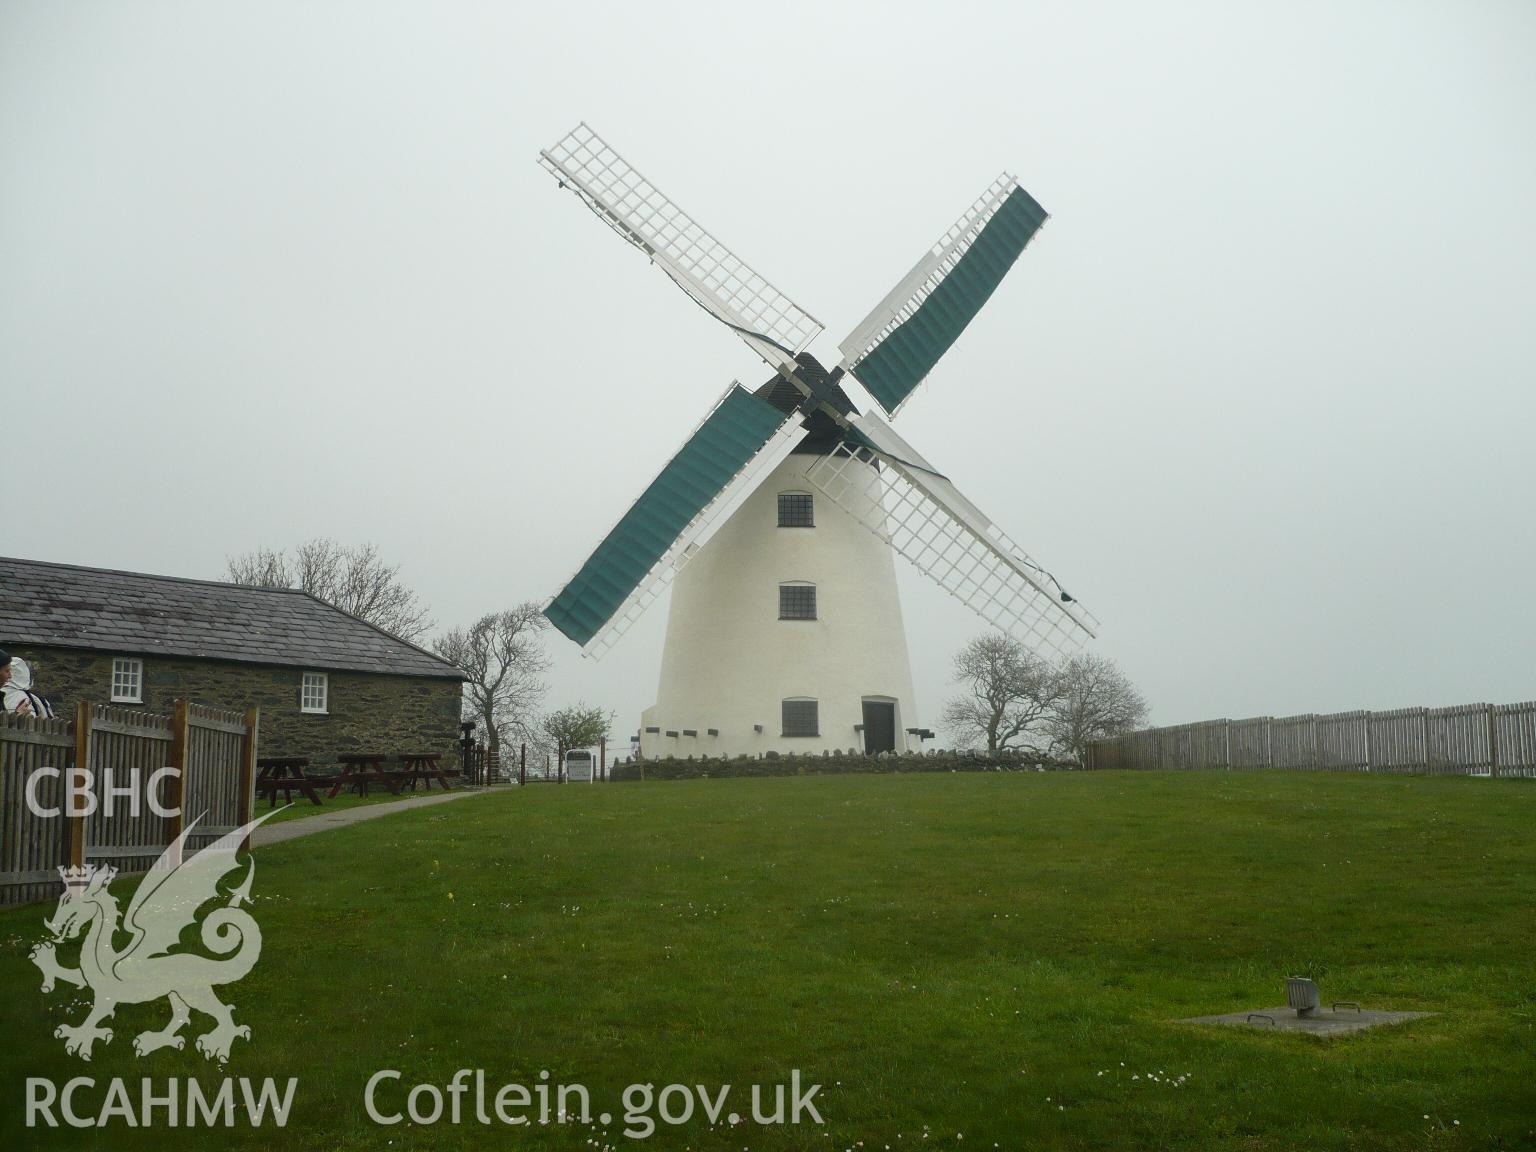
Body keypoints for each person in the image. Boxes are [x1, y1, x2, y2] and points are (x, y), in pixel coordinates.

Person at [0, 648, 55, 718]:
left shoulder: (33, 698)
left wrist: (17, 715)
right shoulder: (30, 698)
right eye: (7, 671)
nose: (10, 675)